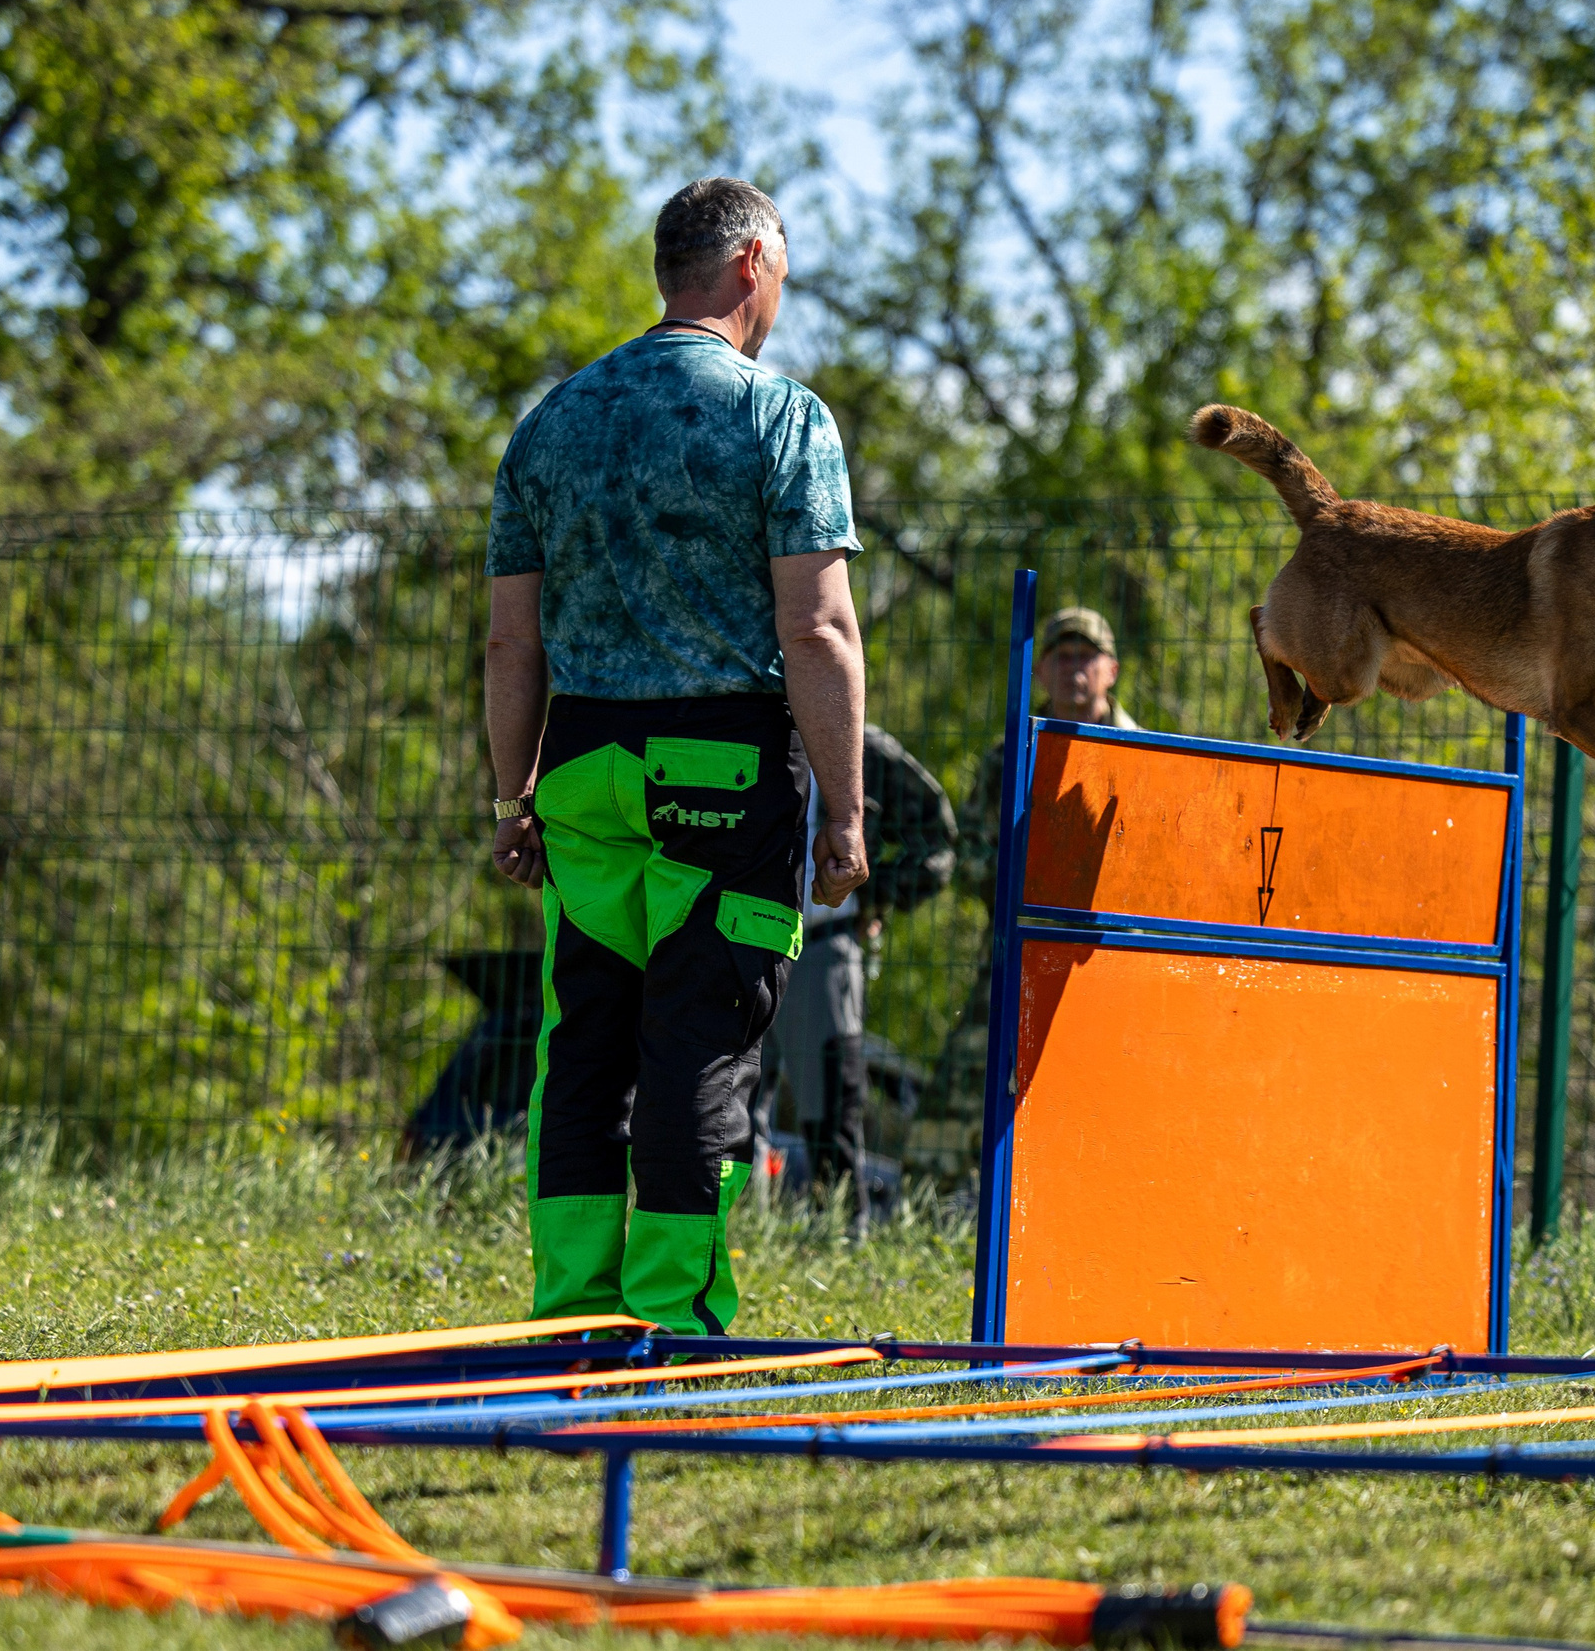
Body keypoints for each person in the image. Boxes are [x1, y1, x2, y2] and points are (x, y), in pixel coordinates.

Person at [483, 176, 868, 1336]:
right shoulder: (780, 416)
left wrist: (513, 794)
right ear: (752, 263)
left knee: (585, 1038)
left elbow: (512, 636)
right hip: (723, 770)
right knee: (701, 1038)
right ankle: (673, 1319)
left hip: (584, 764)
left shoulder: (554, 420)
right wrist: (844, 814)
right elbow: (816, 627)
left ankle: (571, 1312)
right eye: (786, 267)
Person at [930, 608, 1139, 1138]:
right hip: (1017, 951)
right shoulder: (1012, 756)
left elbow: (1152, 867)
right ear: (1040, 671)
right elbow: (972, 854)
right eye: (1061, 656)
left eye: (1086, 657)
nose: (1074, 669)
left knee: (1109, 1094)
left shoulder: (1141, 756)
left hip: (1109, 959)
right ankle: (946, 1204)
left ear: (1111, 669)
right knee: (969, 1090)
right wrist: (1030, 890)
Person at [754, 723, 956, 1229]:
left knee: (828, 1105)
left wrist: (876, 893)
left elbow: (936, 836)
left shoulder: (857, 743)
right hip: (733, 943)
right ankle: (735, 1236)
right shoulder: (737, 717)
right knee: (726, 1107)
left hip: (821, 946)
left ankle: (840, 1236)